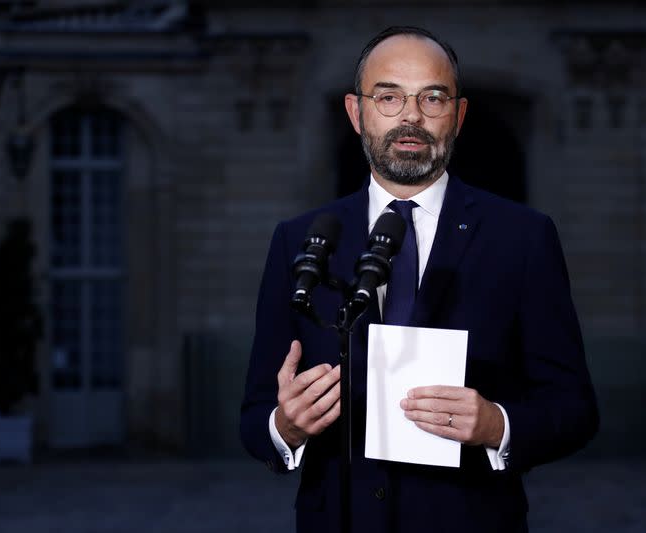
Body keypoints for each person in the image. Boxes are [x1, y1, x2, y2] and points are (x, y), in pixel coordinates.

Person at [240, 26, 599, 533]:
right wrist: (286, 427)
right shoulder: (298, 239)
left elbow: (576, 409)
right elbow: (255, 417)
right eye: (388, 96)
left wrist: (497, 425)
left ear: (459, 114)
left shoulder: (523, 238)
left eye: (432, 97)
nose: (411, 115)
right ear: (355, 111)